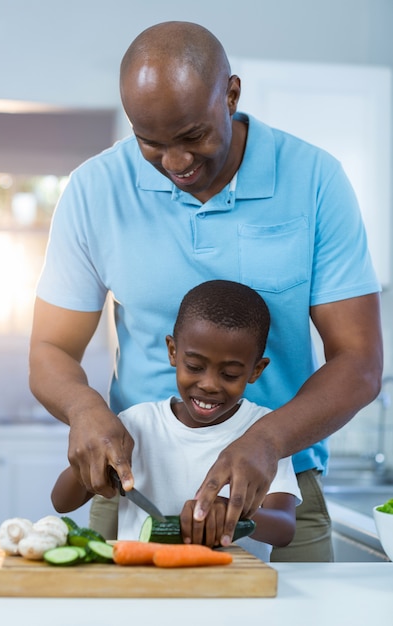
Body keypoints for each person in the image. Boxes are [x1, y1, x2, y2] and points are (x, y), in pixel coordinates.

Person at [29, 20, 383, 562]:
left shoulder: (315, 179)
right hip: (133, 489)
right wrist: (83, 409)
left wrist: (267, 440)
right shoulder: (94, 189)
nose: (176, 163)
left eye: (194, 136)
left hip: (273, 486)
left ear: (231, 95)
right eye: (151, 143)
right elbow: (50, 350)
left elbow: (359, 362)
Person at [51, 280, 301, 562]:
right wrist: (91, 457)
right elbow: (61, 502)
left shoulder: (264, 431)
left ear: (256, 370)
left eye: (230, 374)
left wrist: (232, 514)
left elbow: (284, 527)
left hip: (232, 589)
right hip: (142, 587)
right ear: (172, 352)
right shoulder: (136, 423)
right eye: (194, 367)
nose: (208, 384)